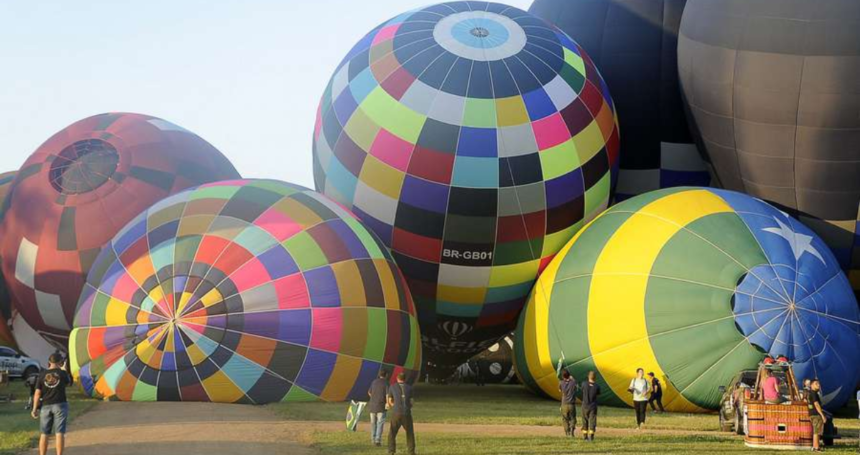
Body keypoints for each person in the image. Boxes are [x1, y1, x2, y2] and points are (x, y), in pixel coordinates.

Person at [30, 353, 73, 455]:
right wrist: (64, 370)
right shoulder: (62, 373)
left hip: (45, 406)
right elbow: (68, 383)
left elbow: (37, 393)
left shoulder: (41, 375)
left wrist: (34, 408)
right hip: (60, 404)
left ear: (49, 362)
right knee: (59, 433)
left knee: (44, 433)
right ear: (60, 362)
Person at [387, 373, 415, 455]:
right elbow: (412, 401)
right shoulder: (409, 388)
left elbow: (389, 401)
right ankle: (411, 452)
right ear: (405, 379)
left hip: (396, 413)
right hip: (406, 413)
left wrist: (394, 406)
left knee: (392, 433)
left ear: (397, 378)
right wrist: (408, 407)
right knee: (410, 433)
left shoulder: (392, 387)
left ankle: (391, 451)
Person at [367, 370, 389, 447]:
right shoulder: (386, 383)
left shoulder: (374, 382)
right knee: (380, 423)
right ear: (386, 375)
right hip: (381, 406)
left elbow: (369, 392)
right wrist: (387, 403)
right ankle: (377, 440)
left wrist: (374, 397)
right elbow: (387, 394)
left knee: (373, 423)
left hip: (372, 405)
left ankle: (373, 440)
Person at [807, 379, 827, 452]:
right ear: (811, 385)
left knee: (815, 431)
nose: (818, 385)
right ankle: (816, 448)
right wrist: (822, 415)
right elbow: (816, 404)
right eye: (816, 383)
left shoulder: (809, 393)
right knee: (817, 432)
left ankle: (814, 447)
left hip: (811, 414)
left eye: (819, 383)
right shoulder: (814, 393)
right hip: (816, 414)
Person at [581, 371, 600, 441]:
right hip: (593, 406)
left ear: (588, 376)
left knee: (584, 420)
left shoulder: (584, 384)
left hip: (585, 406)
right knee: (592, 421)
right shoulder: (597, 386)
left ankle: (585, 436)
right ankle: (591, 436)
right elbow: (598, 393)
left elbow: (582, 389)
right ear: (595, 378)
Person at [558, 370, 577, 437]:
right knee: (573, 418)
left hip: (564, 404)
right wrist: (572, 378)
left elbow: (560, 390)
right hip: (571, 404)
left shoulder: (561, 383)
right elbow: (575, 384)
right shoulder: (573, 382)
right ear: (569, 375)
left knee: (565, 419)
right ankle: (572, 430)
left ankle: (567, 432)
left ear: (563, 376)